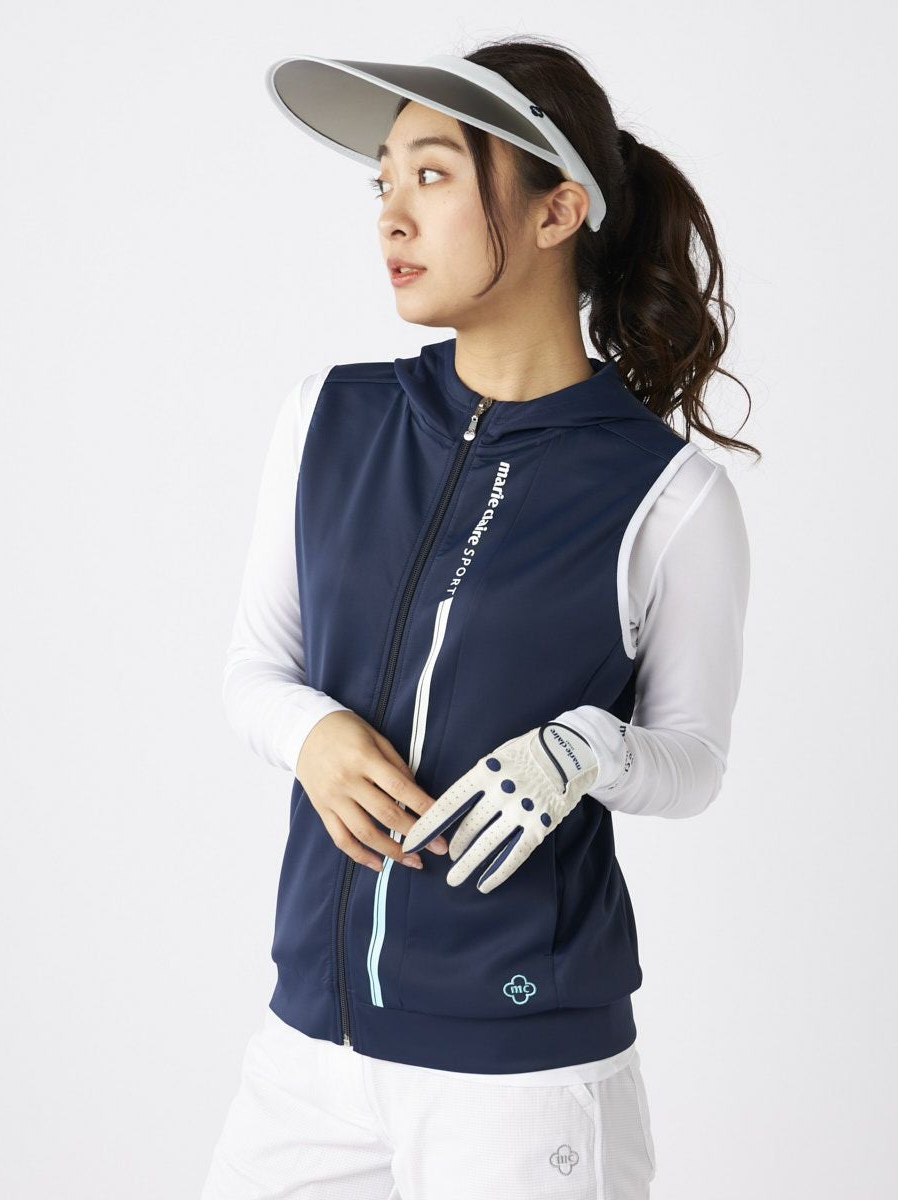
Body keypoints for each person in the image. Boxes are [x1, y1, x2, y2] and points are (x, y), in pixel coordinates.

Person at [201, 36, 755, 1200]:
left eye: (433, 175)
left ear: (557, 211)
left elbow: (693, 761)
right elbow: (256, 667)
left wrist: (584, 749)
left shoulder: (667, 496)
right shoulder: (329, 419)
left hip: (524, 1077)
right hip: (310, 1054)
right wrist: (311, 733)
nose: (391, 216)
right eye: (383, 182)